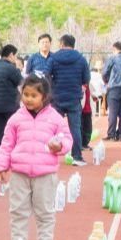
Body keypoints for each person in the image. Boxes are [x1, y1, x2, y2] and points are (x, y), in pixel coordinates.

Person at [0, 75, 70, 240]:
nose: (28, 98)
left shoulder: (55, 118)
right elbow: (6, 144)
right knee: (18, 211)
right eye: (25, 94)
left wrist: (59, 145)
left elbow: (67, 138)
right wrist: (2, 166)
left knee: (45, 211)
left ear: (44, 97)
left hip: (45, 174)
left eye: (33, 95)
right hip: (20, 173)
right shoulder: (16, 119)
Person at [46, 34, 90, 164]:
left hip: (57, 97)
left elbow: (46, 74)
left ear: (61, 44)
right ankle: (77, 156)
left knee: (52, 127)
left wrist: (52, 88)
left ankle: (49, 154)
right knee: (75, 128)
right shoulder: (81, 59)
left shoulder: (53, 58)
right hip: (74, 97)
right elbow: (86, 79)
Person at [0, 43, 23, 154]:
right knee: (14, 130)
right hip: (11, 105)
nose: (16, 59)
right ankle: (14, 153)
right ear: (11, 55)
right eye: (15, 56)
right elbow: (22, 85)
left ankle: (0, 153)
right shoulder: (11, 69)